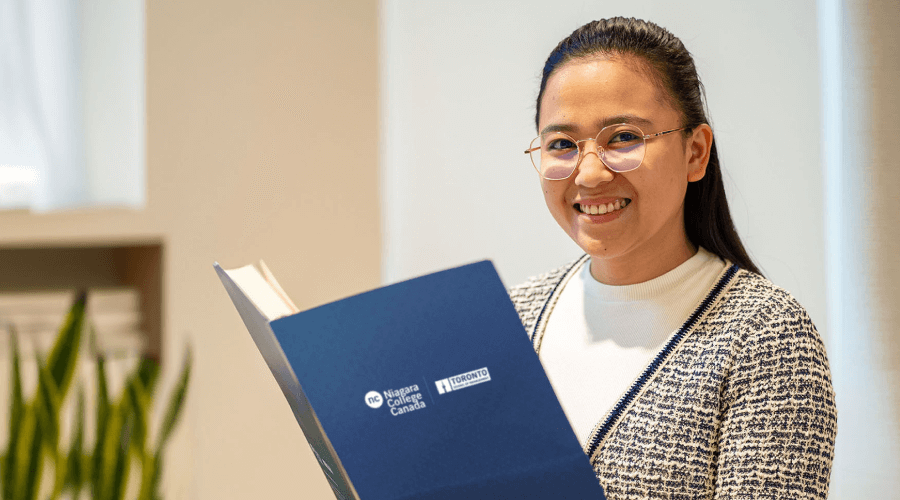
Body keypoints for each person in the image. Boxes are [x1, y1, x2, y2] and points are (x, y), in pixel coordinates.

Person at [508, 18, 837, 499]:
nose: (590, 174)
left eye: (623, 137)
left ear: (695, 152)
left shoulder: (765, 336)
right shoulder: (511, 316)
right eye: (561, 145)